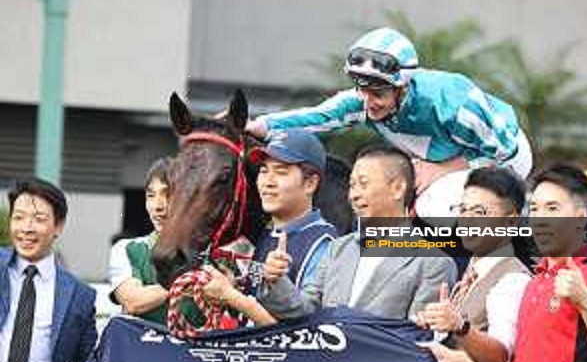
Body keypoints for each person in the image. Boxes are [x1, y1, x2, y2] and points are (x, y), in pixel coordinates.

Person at [246, 27, 532, 217]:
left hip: (503, 155)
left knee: (435, 206)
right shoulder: (363, 102)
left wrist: (444, 170)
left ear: (403, 87)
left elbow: (504, 152)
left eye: (378, 93)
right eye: (362, 91)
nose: (368, 102)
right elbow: (318, 116)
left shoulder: (452, 103)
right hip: (435, 159)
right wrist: (257, 126)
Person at [256, 145, 457, 321]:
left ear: (398, 188)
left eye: (363, 183)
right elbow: (304, 311)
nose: (354, 195)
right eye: (352, 185)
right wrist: (276, 279)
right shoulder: (338, 249)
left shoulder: (433, 264)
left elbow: (418, 340)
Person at [200, 130, 338, 325]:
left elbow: (305, 329)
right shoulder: (268, 233)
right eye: (264, 171)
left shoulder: (324, 244)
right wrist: (235, 286)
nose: (267, 182)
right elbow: (256, 293)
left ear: (310, 184)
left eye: (281, 172)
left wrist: (231, 296)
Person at [417, 167, 531, 362]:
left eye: (480, 212)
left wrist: (459, 328)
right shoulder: (472, 273)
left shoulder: (512, 280)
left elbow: (502, 359)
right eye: (462, 210)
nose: (467, 221)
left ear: (511, 221)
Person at [0, 178, 97, 362]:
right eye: (19, 217)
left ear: (59, 226)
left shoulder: (80, 296)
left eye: (39, 219)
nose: (26, 228)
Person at [510, 163, 587, 362]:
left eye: (552, 208)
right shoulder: (534, 281)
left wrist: (585, 300)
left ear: (581, 216)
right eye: (534, 209)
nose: (539, 219)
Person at [109, 157, 172, 324]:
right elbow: (132, 302)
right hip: (143, 348)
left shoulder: (214, 254)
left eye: (167, 194)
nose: (157, 206)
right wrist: (187, 280)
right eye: (151, 195)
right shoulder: (128, 249)